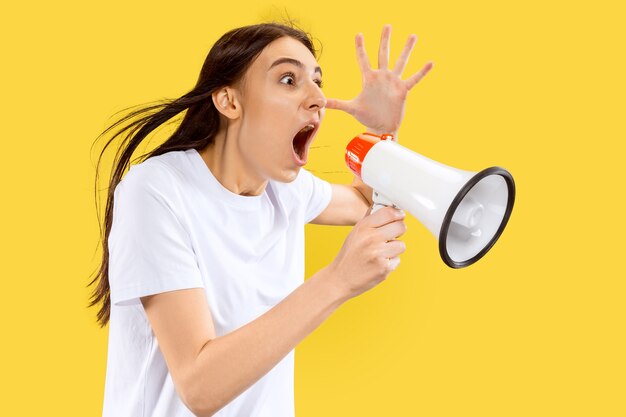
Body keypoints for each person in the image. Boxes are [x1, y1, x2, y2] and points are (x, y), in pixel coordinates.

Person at [88, 21, 433, 417]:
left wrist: (380, 132)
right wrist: (338, 280)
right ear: (229, 102)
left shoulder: (285, 190)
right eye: (289, 79)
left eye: (317, 82)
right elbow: (199, 387)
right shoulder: (157, 190)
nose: (318, 97)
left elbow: (362, 201)